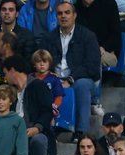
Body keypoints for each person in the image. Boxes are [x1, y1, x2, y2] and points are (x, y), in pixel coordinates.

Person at [44, 0, 102, 139]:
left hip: (81, 79)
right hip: (55, 77)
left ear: (74, 15)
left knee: (81, 86)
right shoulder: (49, 38)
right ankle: (45, 127)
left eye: (67, 13)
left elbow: (92, 67)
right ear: (56, 17)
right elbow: (42, 60)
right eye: (59, 13)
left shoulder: (88, 36)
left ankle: (81, 132)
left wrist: (71, 79)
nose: (63, 16)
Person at [2, 55, 54, 155]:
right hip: (15, 134)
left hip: (34, 132)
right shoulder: (11, 92)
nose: (5, 78)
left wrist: (37, 128)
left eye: (5, 73)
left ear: (12, 70)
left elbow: (47, 111)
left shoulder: (38, 86)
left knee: (39, 140)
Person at [76, 0, 121, 69]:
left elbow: (115, 35)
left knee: (93, 60)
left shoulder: (109, 4)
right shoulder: (75, 7)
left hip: (105, 51)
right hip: (82, 51)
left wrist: (103, 47)